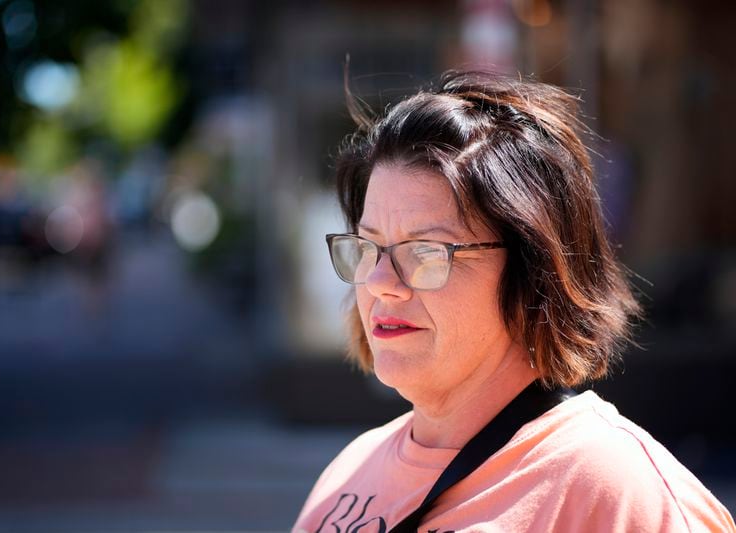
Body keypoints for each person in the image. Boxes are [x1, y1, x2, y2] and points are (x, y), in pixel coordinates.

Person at [293, 71, 735, 532]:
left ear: (532, 270)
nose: (382, 282)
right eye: (368, 247)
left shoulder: (618, 492)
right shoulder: (348, 473)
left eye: (425, 252)